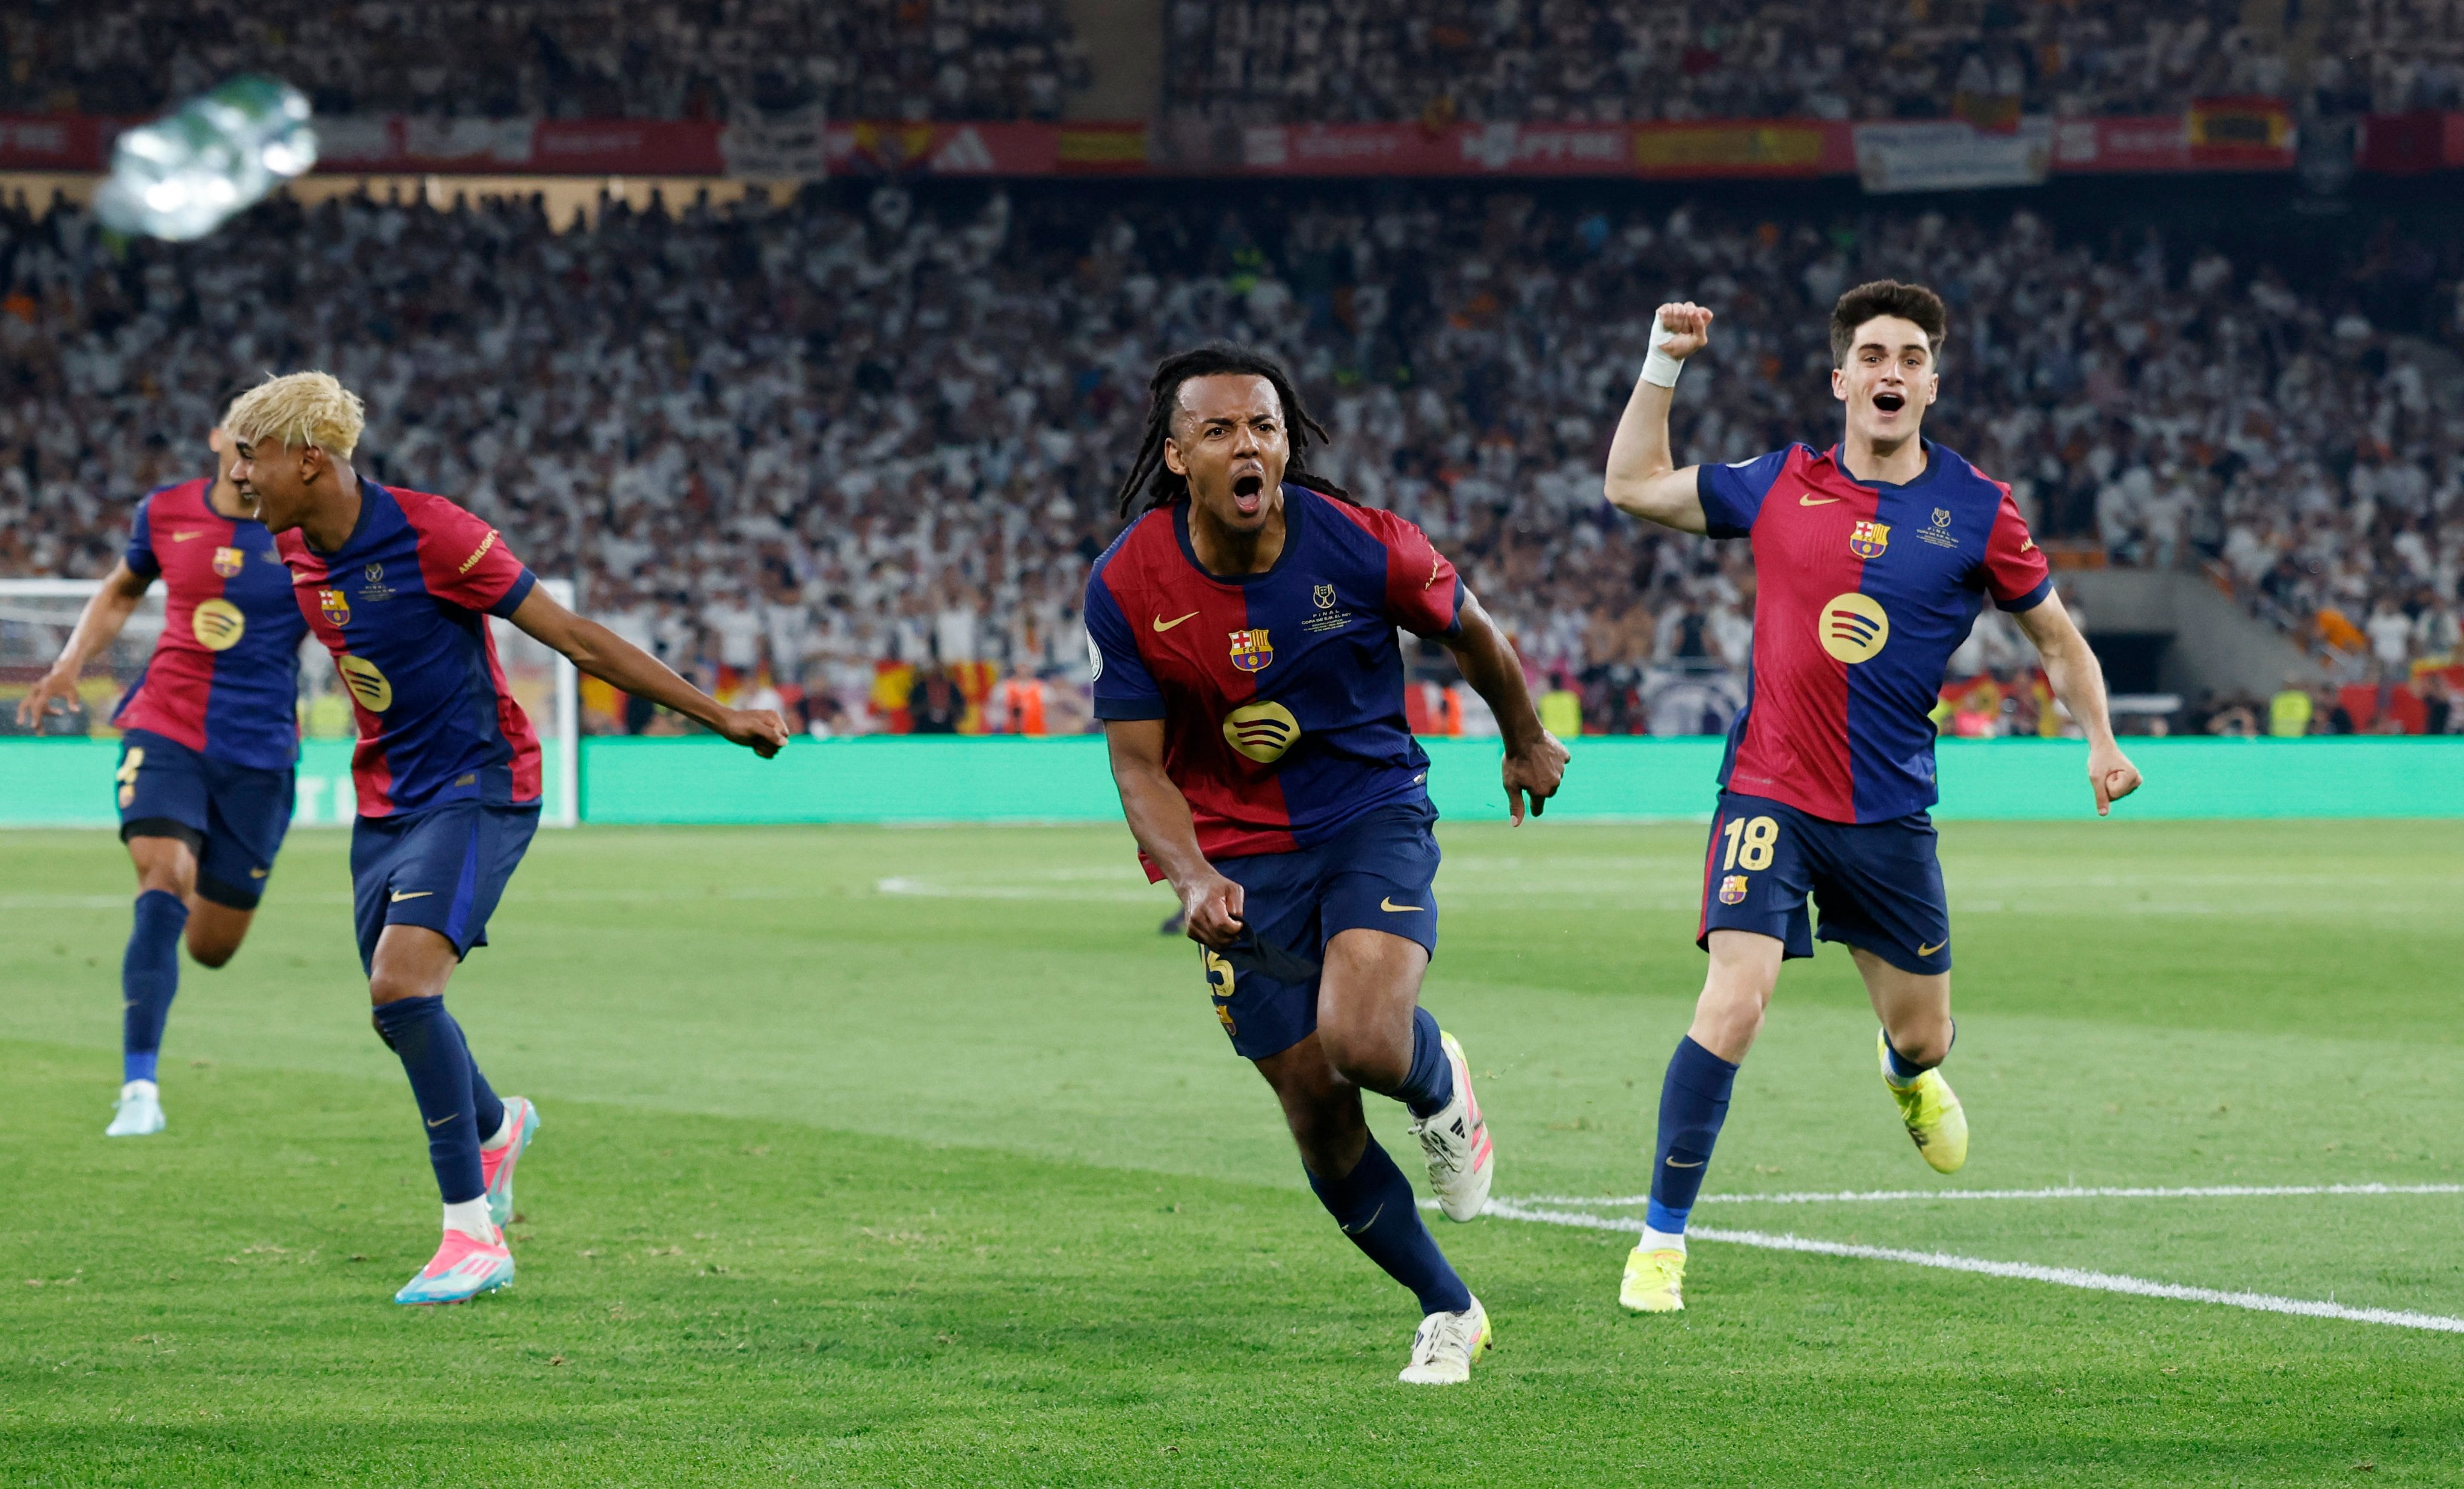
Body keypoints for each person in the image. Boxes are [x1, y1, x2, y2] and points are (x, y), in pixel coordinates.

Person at [1599, 283, 2141, 1315]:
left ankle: (1902, 1073)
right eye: (1874, 356)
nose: (1892, 373)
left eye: (1912, 358)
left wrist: (2101, 742)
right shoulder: (1776, 483)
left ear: (1933, 382)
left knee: (1928, 1034)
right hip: (1768, 792)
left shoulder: (1979, 510)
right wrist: (1664, 360)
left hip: (1888, 813)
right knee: (1736, 999)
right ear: (1840, 378)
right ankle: (1660, 1244)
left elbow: (2056, 641)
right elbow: (1632, 484)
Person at [223, 371, 789, 1307]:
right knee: (398, 1008)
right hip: (385, 800)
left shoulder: (433, 532)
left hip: (479, 785)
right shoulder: (290, 547)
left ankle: (471, 1233)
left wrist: (716, 714)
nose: (238, 473)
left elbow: (574, 636)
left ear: (309, 460)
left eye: (251, 453)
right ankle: (493, 1125)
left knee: (401, 985)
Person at [1086, 344, 1567, 1385]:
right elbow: (1136, 765)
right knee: (1316, 1108)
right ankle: (1448, 1307)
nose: (1248, 444)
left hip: (1366, 812)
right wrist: (1192, 875)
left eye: (1264, 426)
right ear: (1178, 458)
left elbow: (1472, 632)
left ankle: (1440, 1083)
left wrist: (1522, 737)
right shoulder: (1127, 583)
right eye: (1219, 430)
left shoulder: (1359, 546)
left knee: (1362, 1037)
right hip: (1237, 859)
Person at [16, 406, 307, 1138]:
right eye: (238, 434)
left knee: (211, 947)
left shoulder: (305, 534)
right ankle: (138, 1087)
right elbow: (121, 590)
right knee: (163, 876)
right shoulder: (166, 511)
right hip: (165, 725)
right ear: (217, 440)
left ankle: (170, 971)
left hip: (262, 750)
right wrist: (66, 666)